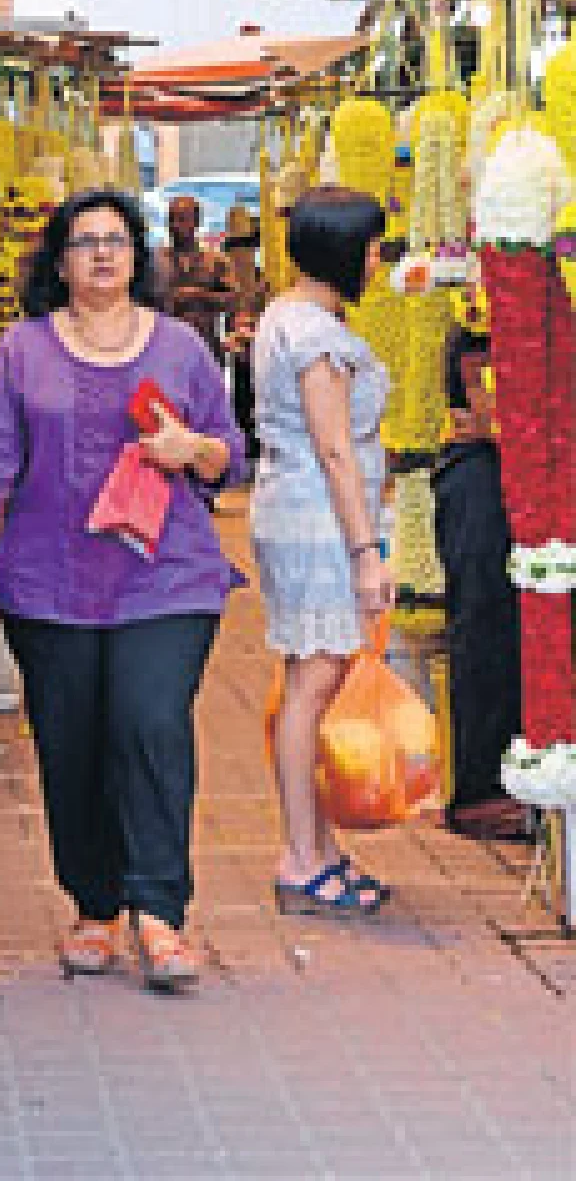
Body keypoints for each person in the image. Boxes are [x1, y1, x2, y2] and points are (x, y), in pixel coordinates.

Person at [0, 187, 245, 991]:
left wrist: (189, 448)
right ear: (60, 262)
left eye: (116, 239)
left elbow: (230, 456)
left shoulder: (179, 348)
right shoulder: (23, 353)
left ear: (137, 256)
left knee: (150, 725)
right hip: (49, 582)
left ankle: (159, 912)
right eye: (85, 242)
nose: (103, 253)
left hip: (166, 576)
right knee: (71, 744)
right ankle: (94, 904)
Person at [250, 185, 395, 919]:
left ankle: (320, 845)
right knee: (312, 688)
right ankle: (301, 857)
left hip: (300, 514)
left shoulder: (291, 315)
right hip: (317, 523)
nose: (379, 261)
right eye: (373, 247)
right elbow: (335, 448)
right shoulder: (314, 336)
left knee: (309, 683)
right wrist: (366, 552)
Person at [432, 325, 527, 840]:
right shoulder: (479, 312)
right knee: (488, 620)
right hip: (486, 475)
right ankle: (486, 789)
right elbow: (482, 405)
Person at [153, 192, 236, 360]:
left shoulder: (215, 261)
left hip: (205, 349)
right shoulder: (154, 262)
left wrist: (198, 295)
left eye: (183, 219)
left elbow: (231, 300)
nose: (176, 226)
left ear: (197, 222)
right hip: (164, 352)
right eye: (171, 219)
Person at [221, 204, 267, 463]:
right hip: (240, 345)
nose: (242, 253)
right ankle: (245, 445)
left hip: (258, 345)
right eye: (237, 248)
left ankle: (254, 445)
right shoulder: (229, 277)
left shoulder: (262, 279)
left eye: (246, 247)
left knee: (254, 391)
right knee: (241, 391)